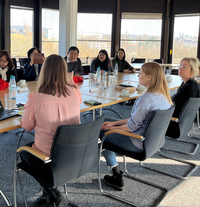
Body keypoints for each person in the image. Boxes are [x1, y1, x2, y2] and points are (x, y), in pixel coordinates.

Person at [99, 62, 172, 191]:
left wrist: (110, 129)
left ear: (149, 77)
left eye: (141, 73)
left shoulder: (145, 98)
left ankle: (116, 174)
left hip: (136, 140)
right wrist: (114, 123)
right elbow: (137, 121)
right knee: (106, 121)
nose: (138, 75)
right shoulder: (164, 97)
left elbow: (131, 127)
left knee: (101, 130)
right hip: (151, 141)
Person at [21, 54, 82, 207]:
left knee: (23, 151)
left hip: (48, 160)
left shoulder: (35, 98)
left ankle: (49, 190)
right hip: (75, 154)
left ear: (44, 71)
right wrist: (69, 82)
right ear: (65, 71)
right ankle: (51, 192)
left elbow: (27, 126)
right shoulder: (75, 91)